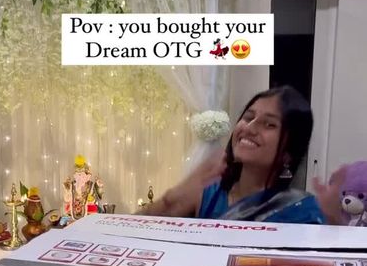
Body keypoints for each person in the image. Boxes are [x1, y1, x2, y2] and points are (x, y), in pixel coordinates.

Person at [139, 85, 344, 225]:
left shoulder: (301, 210)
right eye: (248, 117)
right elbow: (133, 231)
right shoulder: (207, 194)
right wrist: (174, 196)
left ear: (288, 153)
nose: (250, 128)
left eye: (269, 124)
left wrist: (336, 225)